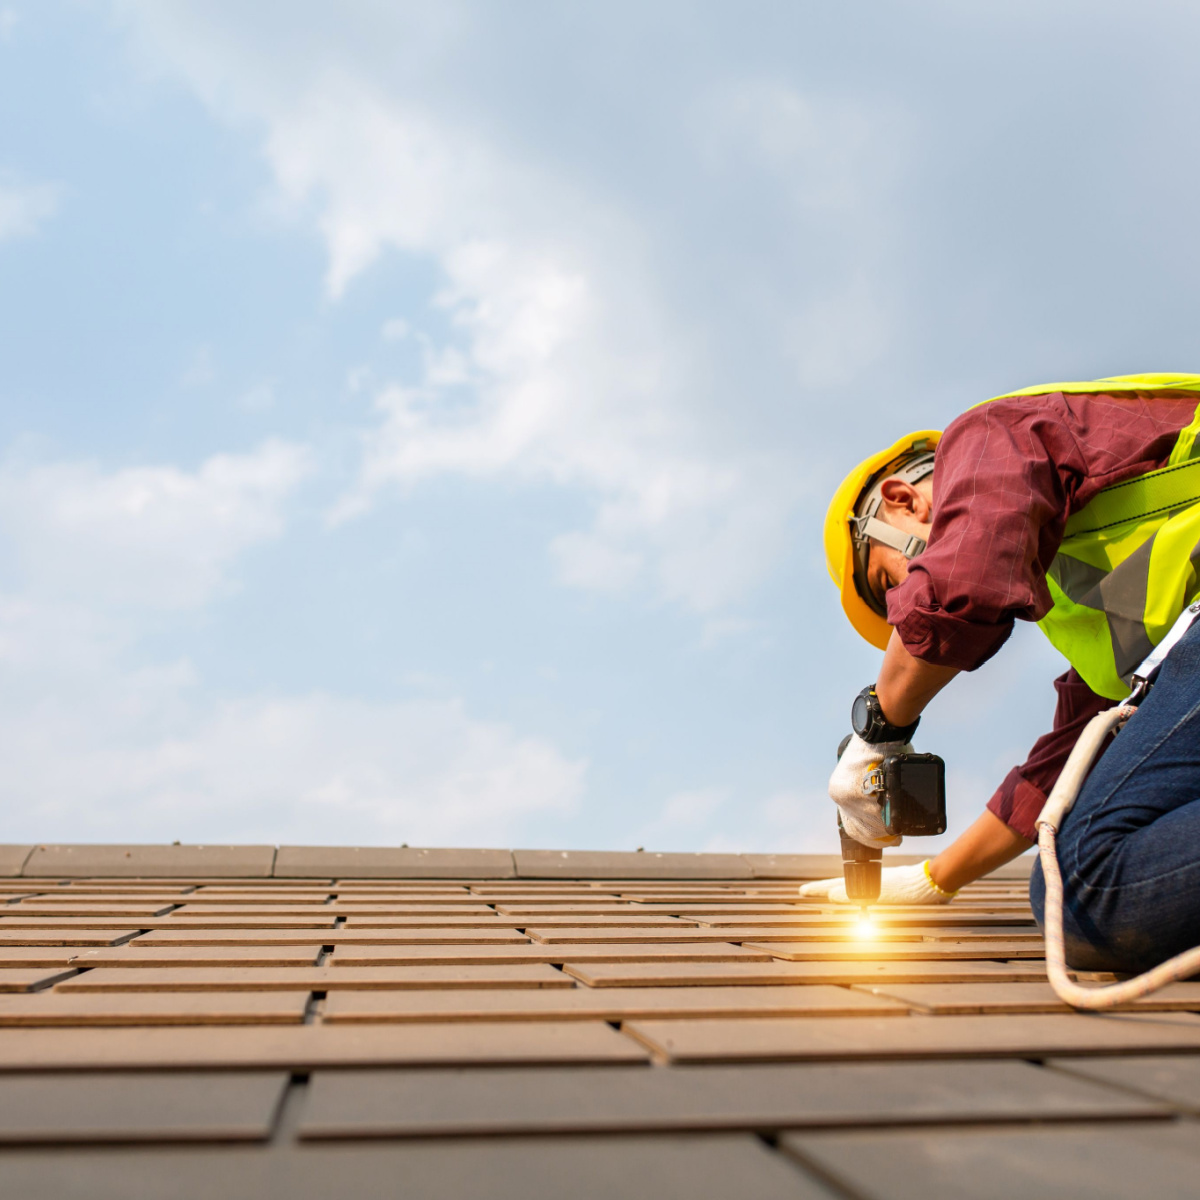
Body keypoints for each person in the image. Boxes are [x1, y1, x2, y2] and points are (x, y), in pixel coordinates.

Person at [801, 373, 1200, 973]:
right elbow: (1060, 767)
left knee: (1087, 884)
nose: (908, 605)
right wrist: (935, 880)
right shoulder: (1088, 606)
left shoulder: (990, 438)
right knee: (1069, 889)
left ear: (901, 499)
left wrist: (878, 728)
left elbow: (963, 576)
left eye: (893, 582)